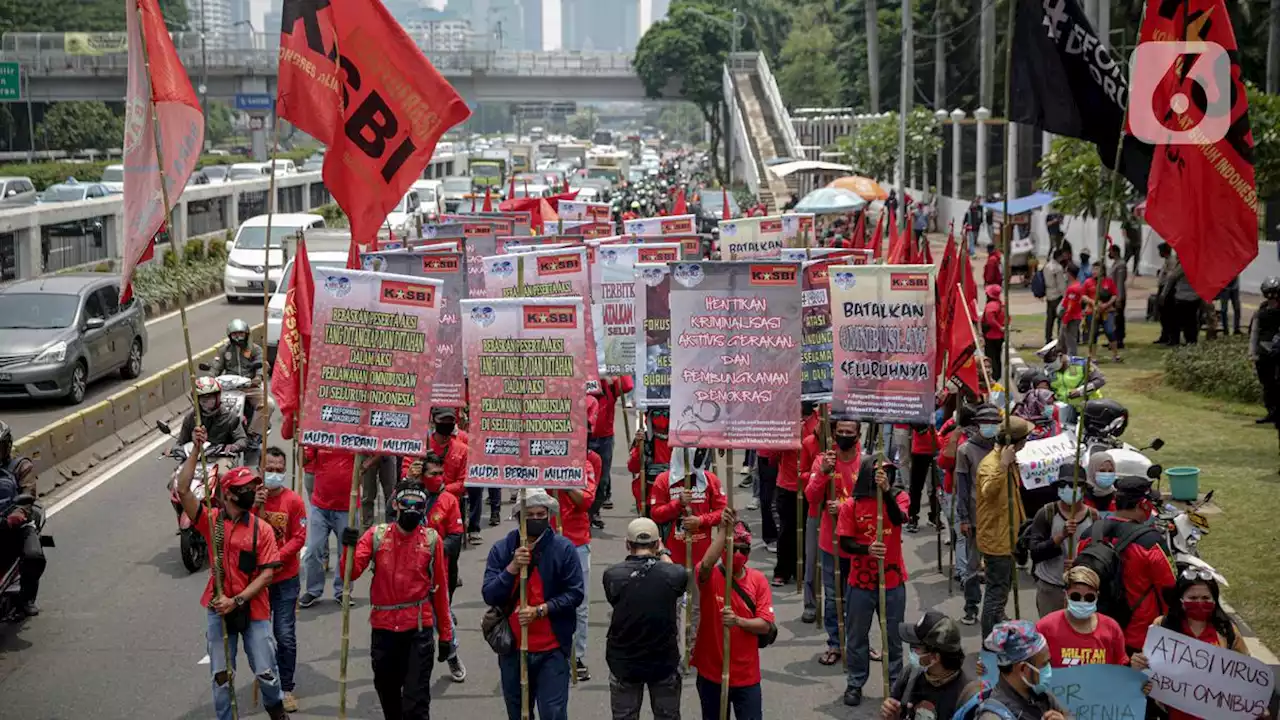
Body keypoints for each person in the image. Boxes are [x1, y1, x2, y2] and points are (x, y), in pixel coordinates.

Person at [173, 427, 286, 720]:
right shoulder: (211, 521)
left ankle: (276, 710)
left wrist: (237, 601)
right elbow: (183, 490)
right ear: (229, 494)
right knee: (222, 676)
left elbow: (267, 575)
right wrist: (197, 449)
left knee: (266, 672)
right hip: (218, 607)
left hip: (254, 608)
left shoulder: (261, 529)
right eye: (246, 488)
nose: (252, 492)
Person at [340, 482, 455, 720]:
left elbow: (441, 591)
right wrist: (347, 547)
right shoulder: (376, 536)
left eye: (418, 505)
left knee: (416, 703)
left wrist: (446, 635)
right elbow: (348, 574)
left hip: (418, 631)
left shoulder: (432, 540)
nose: (412, 509)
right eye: (407, 503)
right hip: (384, 629)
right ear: (396, 505)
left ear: (425, 508)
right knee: (388, 696)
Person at [483, 489, 585, 720]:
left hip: (552, 649)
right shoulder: (502, 549)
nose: (537, 519)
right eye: (531, 515)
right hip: (514, 651)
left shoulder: (563, 548)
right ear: (519, 516)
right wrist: (512, 569)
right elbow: (490, 594)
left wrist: (541, 610)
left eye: (542, 514)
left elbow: (575, 594)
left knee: (553, 713)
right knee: (518, 712)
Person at [837, 458, 910, 707]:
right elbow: (844, 543)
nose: (883, 477)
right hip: (860, 583)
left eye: (888, 473)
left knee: (894, 638)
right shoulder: (851, 505)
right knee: (856, 637)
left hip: (892, 581)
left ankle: (896, 686)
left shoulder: (899, 497)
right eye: (879, 473)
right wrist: (866, 549)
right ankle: (855, 683)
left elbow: (899, 519)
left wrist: (887, 492)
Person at [1131, 571, 1252, 720]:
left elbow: (1246, 671)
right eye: (1193, 598)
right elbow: (1146, 672)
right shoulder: (1162, 627)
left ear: (1214, 601)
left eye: (1205, 598)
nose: (1200, 602)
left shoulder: (1227, 631)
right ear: (1181, 600)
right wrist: (1138, 668)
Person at [1076, 475, 1176, 655]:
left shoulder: (1088, 535)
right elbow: (1169, 590)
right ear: (1143, 504)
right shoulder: (1150, 542)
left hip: (1095, 631)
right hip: (1138, 639)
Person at [691, 511, 775, 720]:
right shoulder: (709, 576)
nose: (738, 554)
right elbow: (706, 564)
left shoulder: (758, 581)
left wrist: (738, 621)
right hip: (712, 673)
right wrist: (722, 531)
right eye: (733, 548)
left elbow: (765, 625)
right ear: (724, 549)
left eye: (744, 550)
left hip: (746, 677)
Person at [602, 518, 689, 720]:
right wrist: (664, 552)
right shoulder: (674, 574)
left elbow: (613, 599)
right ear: (657, 544)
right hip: (663, 661)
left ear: (627, 544)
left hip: (624, 662)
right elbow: (676, 573)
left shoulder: (612, 575)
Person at [649, 447, 727, 661]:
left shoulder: (710, 481)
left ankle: (694, 648)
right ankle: (671, 648)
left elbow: (723, 512)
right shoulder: (663, 481)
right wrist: (677, 505)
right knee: (670, 607)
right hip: (672, 558)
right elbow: (655, 513)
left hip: (702, 559)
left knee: (699, 607)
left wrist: (700, 521)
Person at [408, 452, 468, 683]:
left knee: (441, 617)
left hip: (438, 573)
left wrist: (432, 548)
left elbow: (455, 537)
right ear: (422, 475)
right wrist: (407, 481)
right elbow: (394, 514)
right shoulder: (411, 494)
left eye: (441, 473)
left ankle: (451, 653)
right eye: (433, 474)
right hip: (410, 572)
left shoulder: (449, 500)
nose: (439, 478)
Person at [255, 446, 307, 713]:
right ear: (260, 470)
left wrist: (276, 556)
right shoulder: (251, 499)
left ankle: (286, 687)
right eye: (269, 469)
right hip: (257, 583)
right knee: (260, 638)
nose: (274, 474)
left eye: (278, 470)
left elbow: (299, 538)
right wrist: (255, 506)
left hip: (286, 579)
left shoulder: (294, 501)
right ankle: (267, 682)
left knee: (284, 636)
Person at [806, 419, 861, 664]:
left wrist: (845, 507)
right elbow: (811, 496)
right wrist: (823, 473)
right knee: (833, 597)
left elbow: (875, 503)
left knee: (859, 599)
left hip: (859, 544)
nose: (845, 435)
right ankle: (835, 644)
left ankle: (859, 643)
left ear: (859, 435)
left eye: (850, 432)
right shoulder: (823, 461)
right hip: (832, 543)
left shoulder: (868, 462)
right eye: (841, 432)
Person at [975, 417, 1033, 638]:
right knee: (995, 595)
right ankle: (990, 640)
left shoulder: (1007, 461)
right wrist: (1003, 466)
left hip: (1009, 538)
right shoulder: (992, 464)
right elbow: (989, 492)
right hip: (997, 541)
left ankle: (998, 622)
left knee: (1002, 591)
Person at [558, 395, 601, 681]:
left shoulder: (586, 465)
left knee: (580, 604)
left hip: (577, 543)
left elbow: (585, 502)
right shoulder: (545, 460)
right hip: (547, 541)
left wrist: (561, 480)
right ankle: (556, 654)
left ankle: (579, 656)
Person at [299, 449, 377, 607]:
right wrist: (302, 443)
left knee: (346, 552)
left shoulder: (355, 434)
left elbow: (380, 447)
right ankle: (313, 590)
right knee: (314, 549)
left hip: (347, 507)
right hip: (320, 505)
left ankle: (343, 590)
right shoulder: (321, 434)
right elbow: (303, 461)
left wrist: (367, 464)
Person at [1024, 466, 1098, 617]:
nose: (1068, 489)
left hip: (1081, 589)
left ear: (1083, 489)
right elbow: (1035, 552)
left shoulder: (1093, 517)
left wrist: (1080, 564)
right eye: (1063, 485)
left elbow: (1098, 553)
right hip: (1051, 587)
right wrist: (1060, 537)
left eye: (1073, 485)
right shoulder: (1046, 513)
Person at [953, 404, 1001, 626]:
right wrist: (963, 518)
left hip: (998, 516)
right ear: (977, 425)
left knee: (996, 565)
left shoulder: (1003, 449)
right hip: (973, 515)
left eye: (994, 424)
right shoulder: (965, 451)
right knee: (973, 565)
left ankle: (995, 608)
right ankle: (971, 606)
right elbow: (962, 488)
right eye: (986, 423)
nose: (990, 427)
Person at [879, 611, 971, 720]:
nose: (912, 652)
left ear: (934, 658)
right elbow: (895, 709)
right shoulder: (910, 675)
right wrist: (892, 715)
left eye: (915, 647)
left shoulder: (966, 699)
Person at [1035, 565, 1131, 668]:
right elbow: (1035, 667)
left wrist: (1135, 666)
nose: (1082, 601)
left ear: (1097, 596)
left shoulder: (1112, 628)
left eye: (1089, 597)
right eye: (1075, 596)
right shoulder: (1045, 628)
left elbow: (1121, 668)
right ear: (1066, 595)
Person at [976, 621, 1067, 720]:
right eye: (1044, 664)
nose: (1048, 669)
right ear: (1024, 669)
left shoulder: (1041, 695)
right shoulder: (993, 717)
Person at [0, 421, 44, 618]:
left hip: (14, 525)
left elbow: (28, 494)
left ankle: (26, 598)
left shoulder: (21, 466)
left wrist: (16, 515)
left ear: (7, 445)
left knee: (33, 556)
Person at [589, 376, 634, 527]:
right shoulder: (583, 378)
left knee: (602, 480)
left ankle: (594, 511)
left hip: (605, 439)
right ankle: (583, 514)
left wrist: (615, 371)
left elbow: (628, 385)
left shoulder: (610, 383)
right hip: (582, 437)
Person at [179, 376, 248, 458]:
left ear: (217, 397)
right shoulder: (190, 418)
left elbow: (242, 439)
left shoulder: (230, 417)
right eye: (202, 398)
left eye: (210, 397)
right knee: (178, 470)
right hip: (195, 458)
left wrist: (234, 447)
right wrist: (174, 450)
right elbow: (180, 443)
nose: (206, 402)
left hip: (221, 457)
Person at [1250, 277, 1280, 425]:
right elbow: (1254, 332)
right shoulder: (1261, 310)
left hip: (1278, 351)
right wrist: (1252, 353)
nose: (1272, 297)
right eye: (1269, 294)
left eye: (1274, 293)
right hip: (1264, 352)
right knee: (1267, 384)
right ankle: (1271, 412)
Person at [1081, 262, 1121, 362]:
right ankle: (1093, 356)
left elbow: (1114, 294)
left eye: (1096, 269)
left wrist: (1107, 304)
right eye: (1093, 269)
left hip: (1107, 311)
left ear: (1102, 270)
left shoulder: (1109, 282)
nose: (1094, 271)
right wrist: (1092, 302)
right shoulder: (1088, 282)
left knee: (1110, 331)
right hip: (1092, 311)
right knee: (1093, 333)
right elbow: (1083, 295)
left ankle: (1115, 355)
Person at [905, 422, 941, 534]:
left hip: (933, 449)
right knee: (916, 487)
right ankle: (912, 516)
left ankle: (935, 515)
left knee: (935, 487)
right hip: (919, 452)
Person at [1042, 248, 1069, 345]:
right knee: (1060, 317)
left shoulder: (1047, 266)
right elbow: (1061, 284)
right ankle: (1060, 337)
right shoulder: (1058, 268)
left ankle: (1048, 337)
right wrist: (1065, 296)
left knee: (1050, 319)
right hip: (1057, 295)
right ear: (1059, 256)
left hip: (1049, 294)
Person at [1057, 271, 1085, 358]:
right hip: (1073, 316)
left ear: (1069, 274)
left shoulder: (1073, 289)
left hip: (1071, 318)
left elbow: (1070, 307)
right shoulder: (1077, 286)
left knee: (1070, 341)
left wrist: (1065, 321)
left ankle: (1071, 361)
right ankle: (1062, 358)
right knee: (1062, 340)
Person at [981, 284, 1006, 384]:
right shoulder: (1001, 305)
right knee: (997, 357)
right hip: (999, 336)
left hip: (991, 336)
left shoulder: (991, 306)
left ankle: (993, 377)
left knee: (991, 358)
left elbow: (990, 319)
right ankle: (997, 375)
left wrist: (999, 327)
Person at [1106, 244, 1129, 349]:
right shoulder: (1115, 263)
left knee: (1118, 319)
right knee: (1112, 319)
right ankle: (1113, 339)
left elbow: (1119, 282)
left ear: (1115, 252)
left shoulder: (1121, 265)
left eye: (1110, 252)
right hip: (1113, 295)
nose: (1108, 254)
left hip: (1118, 295)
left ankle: (1119, 340)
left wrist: (1119, 298)